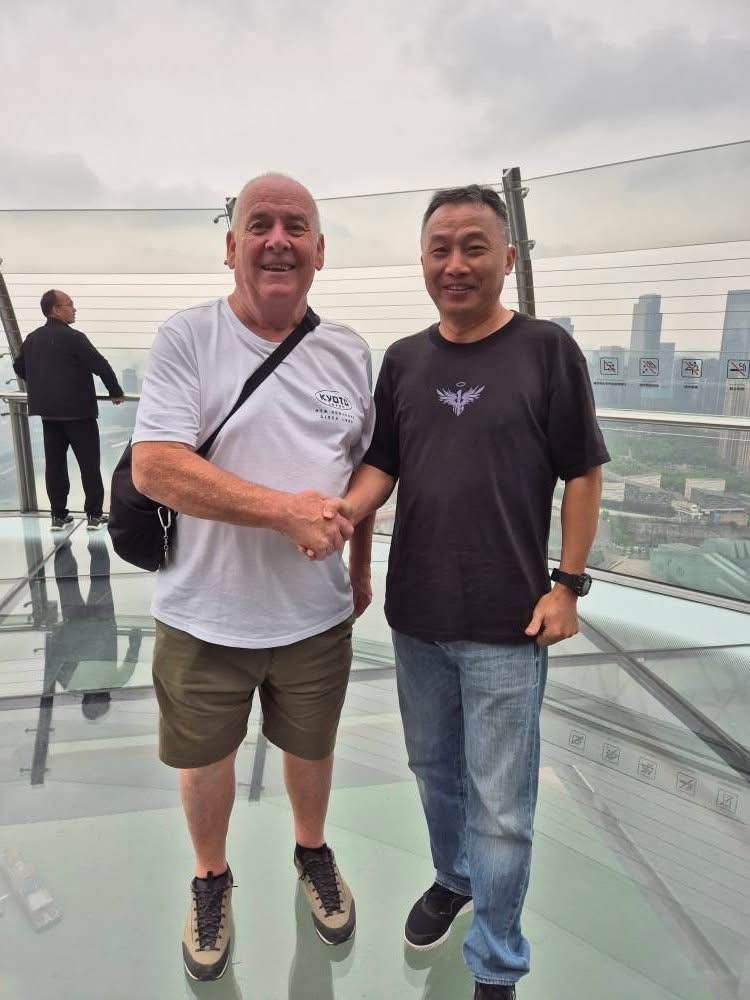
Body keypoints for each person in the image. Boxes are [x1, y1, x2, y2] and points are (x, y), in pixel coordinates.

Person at [331, 185, 610, 999]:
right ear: (422, 261)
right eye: (440, 248)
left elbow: (583, 473)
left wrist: (567, 586)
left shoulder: (547, 351)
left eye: (474, 247)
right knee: (432, 768)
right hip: (417, 613)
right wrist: (341, 514)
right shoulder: (404, 360)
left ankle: (495, 960)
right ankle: (454, 877)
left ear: (508, 258)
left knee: (502, 806)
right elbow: (382, 463)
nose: (455, 264)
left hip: (508, 621)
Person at [130, 173, 375, 982]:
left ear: (319, 251)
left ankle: (312, 852)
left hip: (314, 614)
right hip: (204, 613)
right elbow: (156, 467)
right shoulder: (188, 338)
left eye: (295, 226)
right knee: (205, 759)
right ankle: (211, 877)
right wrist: (282, 513)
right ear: (231, 246)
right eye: (259, 225)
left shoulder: (348, 352)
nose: (278, 240)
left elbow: (364, 469)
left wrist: (360, 569)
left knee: (311, 745)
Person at [12, 290, 125, 530]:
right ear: (55, 309)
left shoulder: (32, 338)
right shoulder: (74, 338)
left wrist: (40, 383)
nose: (74, 309)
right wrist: (115, 391)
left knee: (54, 466)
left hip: (49, 412)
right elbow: (101, 365)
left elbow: (19, 366)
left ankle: (58, 515)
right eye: (70, 304)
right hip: (79, 412)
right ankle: (94, 515)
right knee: (89, 465)